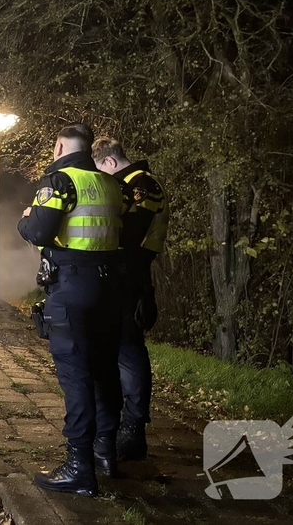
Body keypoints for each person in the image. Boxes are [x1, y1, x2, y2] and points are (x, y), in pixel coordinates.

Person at [18, 123, 125, 496]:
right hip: (110, 288)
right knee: (105, 372)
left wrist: (27, 215)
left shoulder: (60, 181)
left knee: (76, 376)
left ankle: (79, 468)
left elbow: (38, 233)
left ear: (60, 146)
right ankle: (105, 452)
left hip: (73, 289)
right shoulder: (114, 184)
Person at [92, 137, 170, 462]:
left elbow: (130, 232)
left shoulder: (142, 185)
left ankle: (134, 429)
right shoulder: (130, 184)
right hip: (120, 276)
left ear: (109, 162)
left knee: (128, 351)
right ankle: (117, 428)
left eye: (100, 171)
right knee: (117, 352)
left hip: (130, 276)